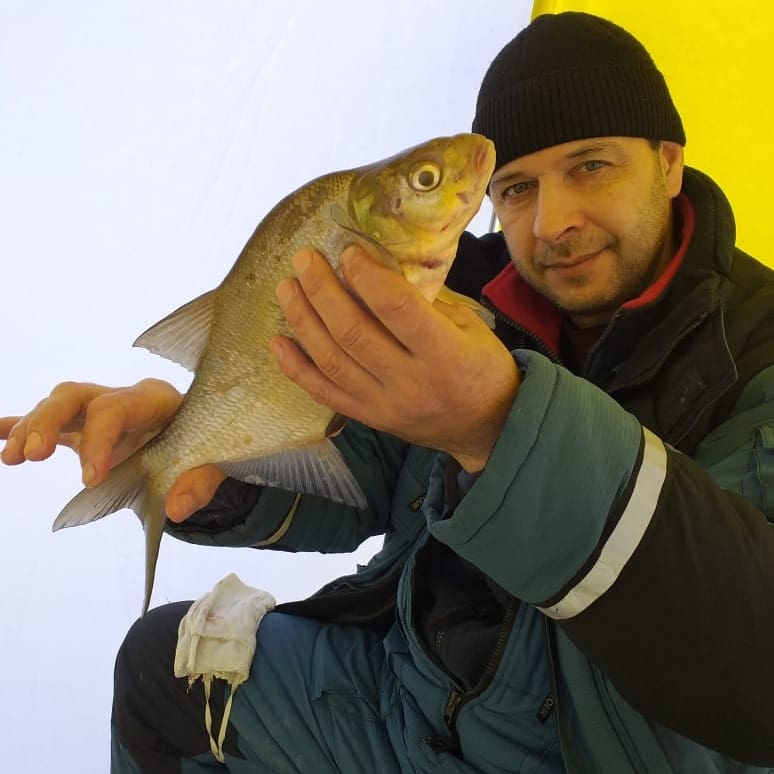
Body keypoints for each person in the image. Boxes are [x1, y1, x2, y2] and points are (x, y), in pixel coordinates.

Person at [2, 11, 774, 773]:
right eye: (515, 188)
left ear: (668, 163)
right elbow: (366, 469)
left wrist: (499, 426)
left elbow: (749, 657)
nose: (552, 223)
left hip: (595, 749)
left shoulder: (759, 347)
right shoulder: (466, 300)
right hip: (409, 703)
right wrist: (212, 452)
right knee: (160, 671)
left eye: (591, 166)